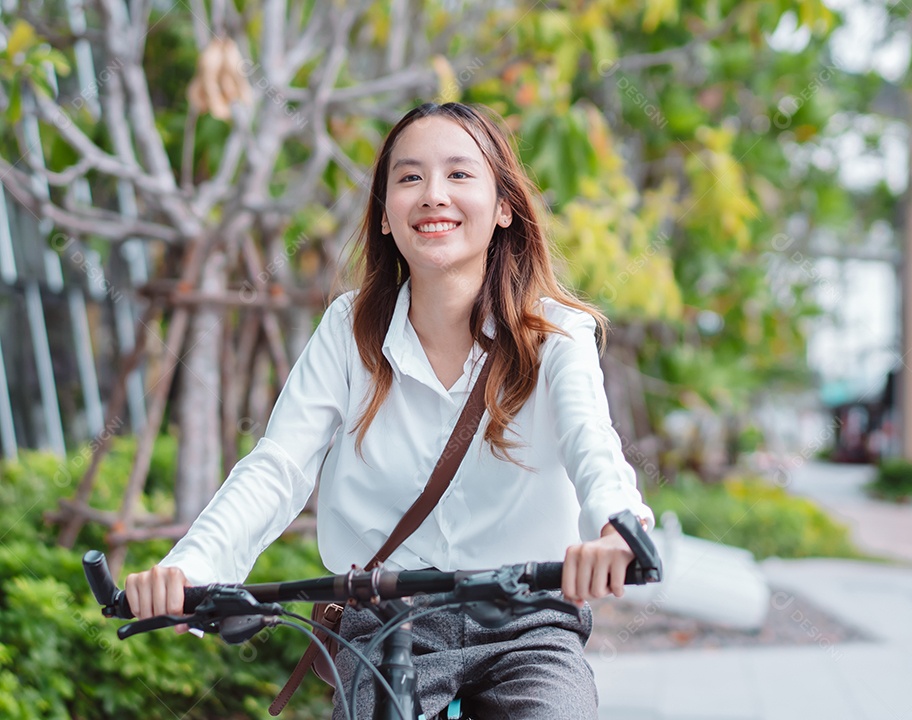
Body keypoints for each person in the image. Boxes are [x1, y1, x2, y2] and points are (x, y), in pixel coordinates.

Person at [124, 101, 654, 719]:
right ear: (383, 216)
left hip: (526, 623)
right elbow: (279, 467)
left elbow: (592, 442)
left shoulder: (556, 334)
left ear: (504, 206)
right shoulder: (348, 329)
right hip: (385, 622)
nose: (433, 195)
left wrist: (619, 527)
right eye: (409, 178)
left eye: (460, 174)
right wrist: (192, 566)